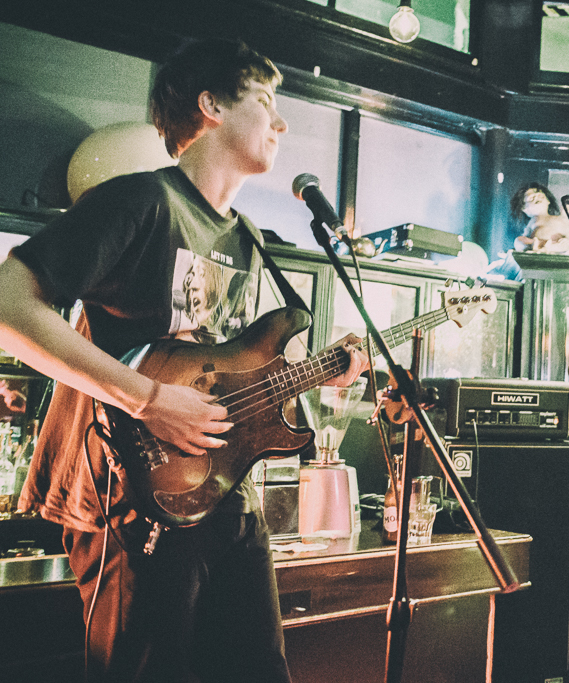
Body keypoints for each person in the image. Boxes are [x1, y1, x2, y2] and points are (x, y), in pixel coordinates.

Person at [0, 38, 369, 682]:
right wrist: (146, 399)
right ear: (211, 107)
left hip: (224, 496)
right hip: (126, 491)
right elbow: (9, 303)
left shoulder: (247, 237)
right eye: (265, 100)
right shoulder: (139, 201)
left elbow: (221, 364)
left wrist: (322, 374)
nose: (282, 123)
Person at [509, 182, 569, 254]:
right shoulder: (532, 222)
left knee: (565, 245)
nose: (536, 198)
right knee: (518, 241)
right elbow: (524, 238)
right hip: (535, 248)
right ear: (525, 209)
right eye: (531, 198)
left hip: (554, 247)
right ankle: (537, 246)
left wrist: (566, 244)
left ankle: (544, 247)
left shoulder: (560, 220)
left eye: (540, 196)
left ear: (548, 200)